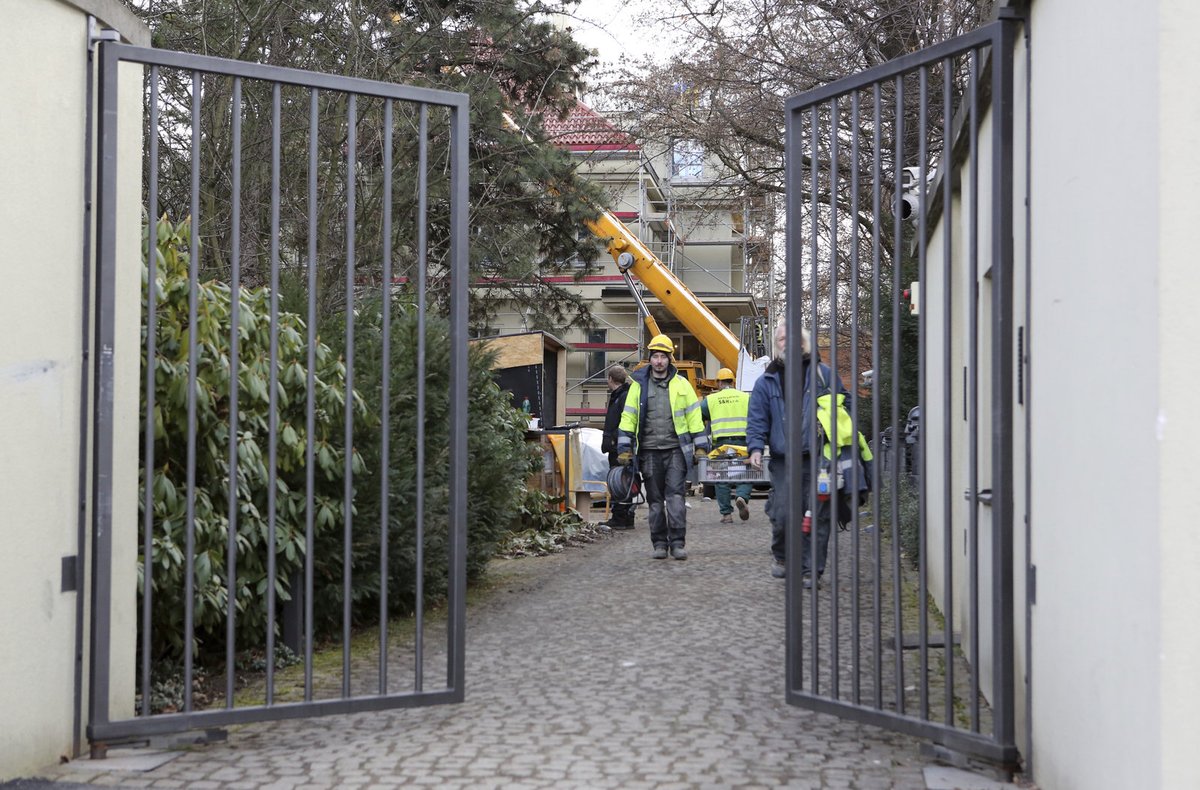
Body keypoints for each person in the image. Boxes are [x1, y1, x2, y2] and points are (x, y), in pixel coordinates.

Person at [746, 321, 844, 586]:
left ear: (804, 342)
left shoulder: (824, 376)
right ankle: (782, 554)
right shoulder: (766, 381)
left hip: (819, 459)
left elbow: (844, 411)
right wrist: (755, 447)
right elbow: (757, 418)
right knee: (783, 513)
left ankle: (812, 570)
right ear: (776, 346)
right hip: (783, 460)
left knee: (818, 515)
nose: (786, 343)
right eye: (780, 339)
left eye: (791, 338)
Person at [617, 334, 709, 560]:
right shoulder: (638, 386)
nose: (659, 361)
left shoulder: (682, 385)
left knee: (676, 497)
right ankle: (659, 543)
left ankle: (677, 543)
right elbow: (628, 417)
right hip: (648, 452)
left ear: (670, 359)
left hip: (675, 450)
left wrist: (700, 446)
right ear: (650, 359)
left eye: (663, 357)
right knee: (655, 501)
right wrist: (624, 448)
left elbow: (694, 417)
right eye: (655, 357)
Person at [701, 367, 752, 524]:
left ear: (718, 382)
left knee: (721, 478)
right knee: (744, 473)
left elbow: (700, 416)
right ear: (733, 381)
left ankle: (726, 514)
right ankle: (742, 496)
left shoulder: (711, 399)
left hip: (721, 444)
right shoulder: (746, 397)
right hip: (743, 441)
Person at [599, 365, 635, 530]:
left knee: (619, 481)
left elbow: (623, 422)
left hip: (619, 447)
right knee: (625, 480)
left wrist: (614, 440)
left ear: (610, 379)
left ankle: (621, 517)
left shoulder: (621, 397)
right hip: (619, 445)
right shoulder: (622, 396)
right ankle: (626, 516)